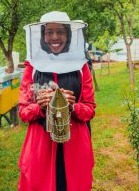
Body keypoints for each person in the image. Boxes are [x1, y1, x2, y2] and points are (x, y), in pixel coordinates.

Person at [18, 11, 96, 190]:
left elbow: (90, 108)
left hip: (74, 145)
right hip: (40, 146)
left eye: (60, 32)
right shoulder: (32, 67)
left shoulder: (81, 67)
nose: (55, 37)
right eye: (49, 32)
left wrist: (73, 106)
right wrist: (40, 105)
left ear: (68, 34)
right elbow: (23, 112)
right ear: (42, 36)